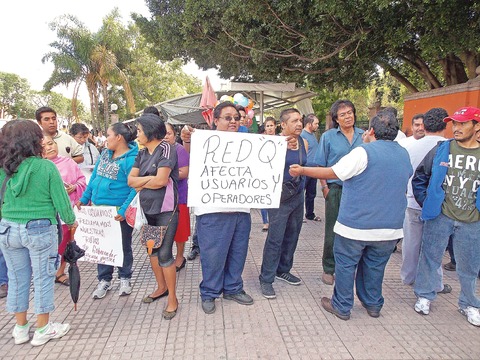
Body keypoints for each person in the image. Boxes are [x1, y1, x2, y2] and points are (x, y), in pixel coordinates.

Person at [291, 110, 412, 320]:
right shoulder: (403, 153)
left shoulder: (363, 152)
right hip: (390, 228)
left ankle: (342, 305)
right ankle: (373, 304)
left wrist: (302, 170)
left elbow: (333, 172)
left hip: (357, 225)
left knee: (346, 265)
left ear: (371, 130)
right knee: (375, 266)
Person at [0, 120, 77, 346]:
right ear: (33, 140)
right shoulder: (45, 167)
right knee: (43, 278)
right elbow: (61, 202)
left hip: (8, 228)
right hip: (40, 229)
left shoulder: (3, 167)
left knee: (16, 278)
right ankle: (43, 328)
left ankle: (21, 328)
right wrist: (71, 222)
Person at [412, 106, 480, 327]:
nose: (457, 128)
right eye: (455, 123)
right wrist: (428, 200)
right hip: (440, 215)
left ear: (476, 126)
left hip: (471, 220)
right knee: (430, 257)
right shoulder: (442, 149)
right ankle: (424, 295)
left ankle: (469, 303)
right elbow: (420, 177)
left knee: (469, 265)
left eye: (463, 123)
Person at [190, 102, 254, 314]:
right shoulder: (202, 142)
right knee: (213, 256)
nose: (234, 121)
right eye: (228, 118)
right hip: (212, 211)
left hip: (241, 210)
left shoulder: (249, 143)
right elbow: (188, 153)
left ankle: (233, 288)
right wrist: (185, 139)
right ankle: (209, 292)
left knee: (238, 252)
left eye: (236, 117)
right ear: (215, 120)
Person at [77, 123, 138, 299]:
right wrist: (84, 198)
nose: (105, 138)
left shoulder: (132, 159)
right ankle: (104, 280)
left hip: (118, 211)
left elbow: (134, 187)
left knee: (122, 246)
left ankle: (125, 278)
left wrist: (125, 209)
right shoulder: (104, 154)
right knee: (102, 246)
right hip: (98, 210)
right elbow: (95, 177)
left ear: (118, 137)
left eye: (108, 134)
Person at [127, 113, 179, 320]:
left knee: (165, 254)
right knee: (152, 250)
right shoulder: (141, 153)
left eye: (139, 130)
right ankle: (161, 288)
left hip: (166, 209)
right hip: (147, 208)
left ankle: (173, 298)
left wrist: (144, 180)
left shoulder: (166, 148)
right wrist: (151, 178)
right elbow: (131, 181)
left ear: (149, 131)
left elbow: (162, 181)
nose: (137, 134)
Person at [399, 108, 451, 295]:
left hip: (412, 201)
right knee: (435, 245)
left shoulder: (408, 146)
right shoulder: (450, 147)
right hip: (441, 205)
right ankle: (435, 284)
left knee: (411, 242)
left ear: (425, 125)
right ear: (446, 124)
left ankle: (408, 276)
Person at [314, 100, 364, 285]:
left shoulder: (364, 135)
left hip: (360, 190)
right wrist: (325, 187)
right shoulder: (328, 137)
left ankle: (351, 267)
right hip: (336, 189)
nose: (348, 116)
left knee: (357, 230)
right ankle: (329, 267)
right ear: (336, 118)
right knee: (333, 230)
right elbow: (321, 163)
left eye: (350, 112)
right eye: (342, 114)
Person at [259, 108, 307, 299]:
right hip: (278, 197)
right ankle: (266, 278)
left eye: (300, 120)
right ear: (283, 125)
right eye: (294, 121)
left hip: (297, 195)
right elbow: (262, 166)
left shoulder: (303, 142)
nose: (299, 124)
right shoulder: (272, 142)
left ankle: (283, 269)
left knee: (293, 235)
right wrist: (280, 150)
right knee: (275, 238)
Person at [42, 135, 86, 286]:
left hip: (67, 211)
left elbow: (81, 180)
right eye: (45, 145)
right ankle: (49, 273)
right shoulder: (40, 166)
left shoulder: (68, 162)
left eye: (51, 143)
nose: (49, 147)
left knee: (66, 242)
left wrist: (74, 187)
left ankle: (60, 272)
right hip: (47, 213)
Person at [164, 123, 190, 272]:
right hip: (159, 198)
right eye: (163, 133)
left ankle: (180, 257)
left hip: (178, 196)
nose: (166, 136)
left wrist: (162, 176)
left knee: (180, 230)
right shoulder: (155, 150)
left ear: (175, 135)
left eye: (169, 133)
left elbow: (184, 173)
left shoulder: (179, 150)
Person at [300, 113, 321, 221]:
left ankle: (310, 214)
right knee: (301, 193)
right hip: (306, 169)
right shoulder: (303, 136)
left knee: (311, 193)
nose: (317, 125)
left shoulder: (312, 135)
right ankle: (298, 215)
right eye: (316, 123)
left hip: (314, 169)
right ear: (309, 124)